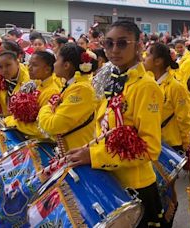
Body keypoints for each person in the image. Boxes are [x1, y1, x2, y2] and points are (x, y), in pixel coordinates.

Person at [67, 20, 165, 228]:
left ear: (139, 45)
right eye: (108, 43)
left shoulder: (146, 87)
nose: (113, 50)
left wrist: (93, 156)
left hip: (134, 188)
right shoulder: (111, 79)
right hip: (108, 181)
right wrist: (87, 152)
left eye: (122, 43)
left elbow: (150, 149)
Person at [37, 43, 97, 150]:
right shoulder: (72, 85)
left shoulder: (82, 89)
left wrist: (45, 108)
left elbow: (53, 125)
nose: (54, 65)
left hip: (78, 158)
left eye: (57, 60)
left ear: (66, 65)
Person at [144, 42, 190, 152]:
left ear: (158, 61)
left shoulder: (175, 87)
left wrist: (186, 144)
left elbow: (184, 118)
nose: (144, 59)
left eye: (147, 56)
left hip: (171, 146)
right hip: (152, 143)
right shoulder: (149, 84)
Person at [4, 51, 61, 138]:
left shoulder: (52, 92)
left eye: (34, 65)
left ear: (47, 69)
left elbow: (41, 128)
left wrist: (14, 122)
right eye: (29, 64)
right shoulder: (38, 83)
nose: (29, 68)